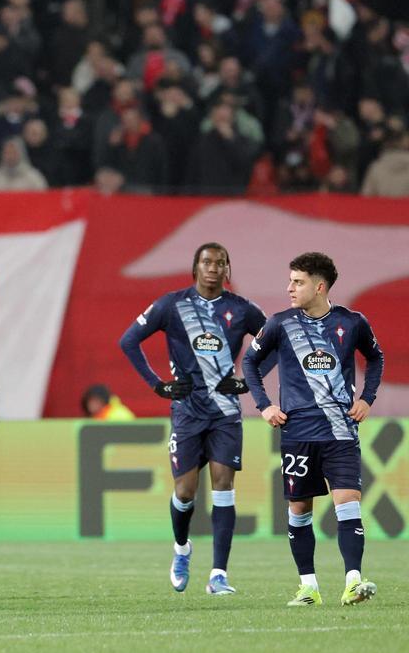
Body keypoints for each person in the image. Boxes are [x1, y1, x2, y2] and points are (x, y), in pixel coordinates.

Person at [119, 243, 266, 595]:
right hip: (186, 411)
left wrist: (249, 382)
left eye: (220, 263)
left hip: (226, 413)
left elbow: (273, 342)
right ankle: (182, 548)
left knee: (223, 486)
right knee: (185, 493)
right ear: (195, 268)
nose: (213, 268)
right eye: (207, 262)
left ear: (227, 269)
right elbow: (128, 341)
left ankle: (219, 575)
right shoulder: (172, 305)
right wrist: (158, 385)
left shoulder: (242, 310)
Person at [242, 252, 383, 607]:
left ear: (319, 287)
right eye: (290, 280)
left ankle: (353, 581)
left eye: (298, 282)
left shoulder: (352, 323)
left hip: (340, 432)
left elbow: (376, 357)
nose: (289, 287)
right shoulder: (280, 323)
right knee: (299, 510)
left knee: (348, 504)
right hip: (298, 433)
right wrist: (264, 405)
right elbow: (250, 361)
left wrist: (367, 398)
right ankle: (308, 587)